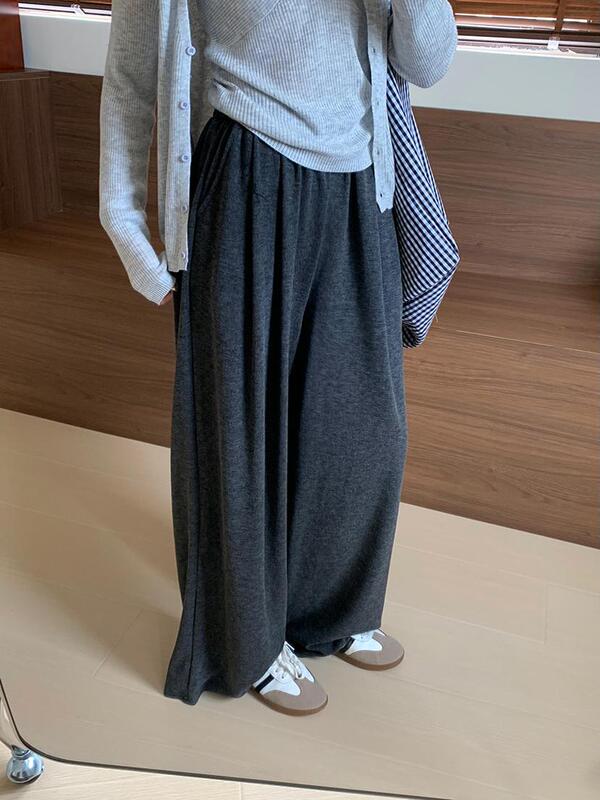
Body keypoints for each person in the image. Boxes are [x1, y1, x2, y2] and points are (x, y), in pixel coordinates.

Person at [99, 0, 458, 716]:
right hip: (246, 173)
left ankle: (330, 610)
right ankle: (249, 644)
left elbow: (430, 62)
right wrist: (126, 221)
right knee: (242, 438)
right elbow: (134, 73)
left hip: (363, 178)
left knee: (363, 428)